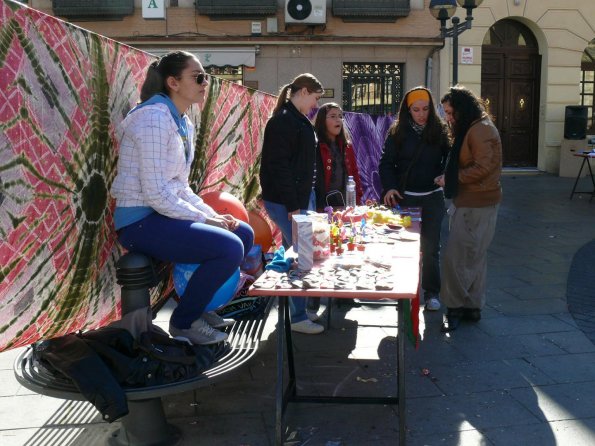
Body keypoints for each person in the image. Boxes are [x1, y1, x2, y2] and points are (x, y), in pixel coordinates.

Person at [111, 51, 254, 345]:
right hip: (139, 222)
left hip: (160, 214)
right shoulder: (152, 119)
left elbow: (179, 186)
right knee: (229, 248)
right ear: (173, 82)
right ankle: (184, 322)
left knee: (244, 232)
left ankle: (200, 307)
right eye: (198, 77)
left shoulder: (182, 121)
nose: (205, 83)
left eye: (206, 77)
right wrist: (207, 218)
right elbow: (155, 192)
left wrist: (213, 217)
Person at [259, 73, 325, 335]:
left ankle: (296, 312)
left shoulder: (292, 119)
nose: (315, 105)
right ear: (305, 91)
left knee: (296, 253)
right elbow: (279, 167)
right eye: (316, 99)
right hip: (290, 201)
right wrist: (294, 206)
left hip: (293, 199)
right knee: (302, 255)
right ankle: (297, 317)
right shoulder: (285, 121)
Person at [435, 85, 502, 332]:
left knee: (456, 257)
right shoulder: (476, 127)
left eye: (450, 113)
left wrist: (451, 179)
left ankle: (455, 308)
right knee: (473, 255)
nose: (448, 118)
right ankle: (472, 307)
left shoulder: (480, 129)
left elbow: (484, 167)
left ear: (462, 109)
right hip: (476, 200)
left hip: (476, 202)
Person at [379, 86, 450, 312]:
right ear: (408, 110)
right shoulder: (397, 131)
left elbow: (451, 158)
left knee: (430, 249)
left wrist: (446, 174)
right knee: (404, 248)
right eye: (416, 109)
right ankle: (403, 291)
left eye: (426, 109)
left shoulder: (440, 130)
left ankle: (431, 293)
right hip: (406, 198)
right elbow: (386, 163)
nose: (421, 114)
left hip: (432, 197)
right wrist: (389, 187)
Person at [313, 102, 363, 210]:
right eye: (333, 116)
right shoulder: (316, 146)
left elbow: (354, 173)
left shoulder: (347, 146)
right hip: (324, 205)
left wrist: (358, 200)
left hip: (346, 204)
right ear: (322, 121)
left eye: (340, 116)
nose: (338, 119)